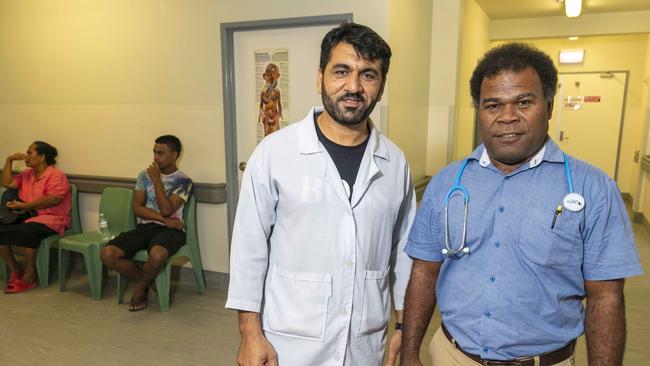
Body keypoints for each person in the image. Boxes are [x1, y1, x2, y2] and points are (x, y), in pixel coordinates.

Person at [400, 43, 643, 366]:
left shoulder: (593, 189)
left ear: (549, 106)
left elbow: (606, 297)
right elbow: (424, 272)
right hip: (451, 355)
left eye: (523, 102)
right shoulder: (447, 183)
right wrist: (409, 352)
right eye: (492, 105)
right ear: (479, 112)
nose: (507, 117)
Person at [226, 23, 416, 366]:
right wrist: (250, 334)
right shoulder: (275, 154)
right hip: (289, 343)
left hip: (364, 341)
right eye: (341, 71)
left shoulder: (395, 162)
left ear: (382, 85)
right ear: (319, 78)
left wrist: (403, 326)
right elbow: (249, 249)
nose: (353, 87)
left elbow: (402, 253)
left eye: (368, 75)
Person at [100, 135, 192, 311]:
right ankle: (150, 281)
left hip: (172, 231)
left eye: (161, 153)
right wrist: (165, 220)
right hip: (147, 227)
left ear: (175, 155)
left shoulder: (184, 181)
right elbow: (137, 208)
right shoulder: (144, 175)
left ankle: (141, 288)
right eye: (154, 153)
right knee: (107, 254)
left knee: (157, 255)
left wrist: (157, 180)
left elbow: (167, 208)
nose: (156, 157)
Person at [1, 141, 71, 293]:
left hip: (51, 218)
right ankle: (15, 269)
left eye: (30, 152)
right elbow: (6, 182)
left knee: (27, 231)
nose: (26, 156)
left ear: (42, 157)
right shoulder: (27, 174)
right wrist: (9, 161)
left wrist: (24, 206)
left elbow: (53, 199)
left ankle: (29, 275)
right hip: (26, 216)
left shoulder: (56, 176)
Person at [258, 63, 283, 136]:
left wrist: (278, 114)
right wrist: (262, 113)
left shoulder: (277, 91)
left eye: (274, 74)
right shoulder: (263, 91)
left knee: (276, 136)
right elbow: (261, 105)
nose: (271, 77)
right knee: (267, 137)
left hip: (275, 116)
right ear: (265, 76)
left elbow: (279, 104)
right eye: (269, 75)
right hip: (266, 116)